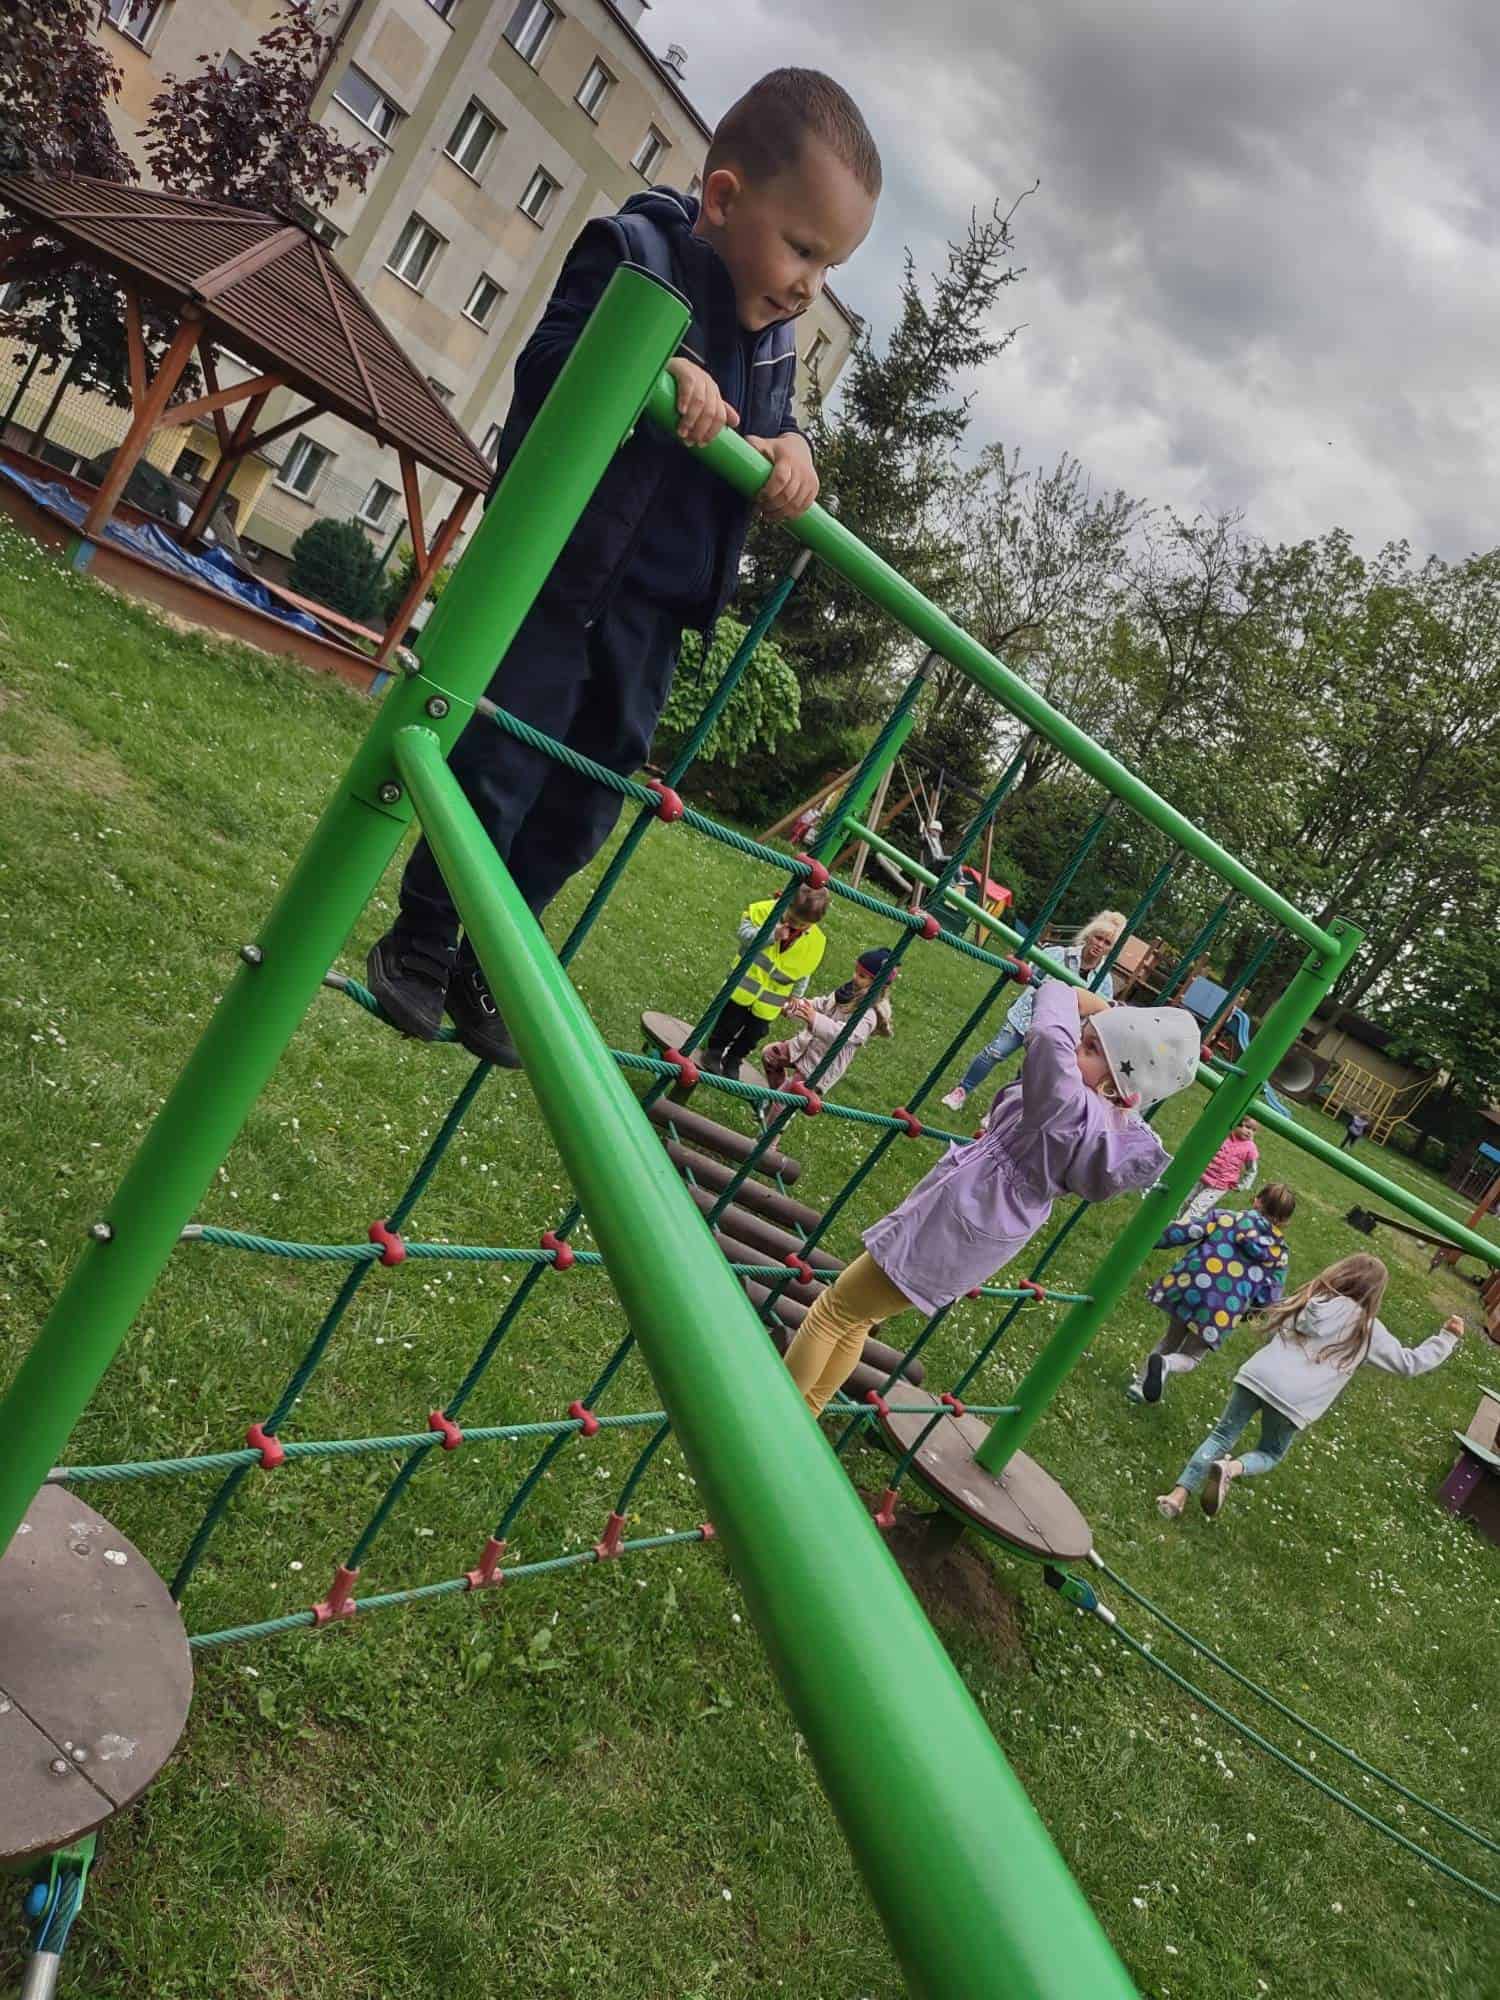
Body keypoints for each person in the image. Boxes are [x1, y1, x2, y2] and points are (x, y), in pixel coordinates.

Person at [364, 71, 881, 1065]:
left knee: (586, 798)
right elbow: (550, 363)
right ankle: (422, 938)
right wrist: (655, 365)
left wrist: (794, 448)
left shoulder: (773, 345)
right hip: (563, 580)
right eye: (802, 247)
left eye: (831, 264)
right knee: (498, 767)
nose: (810, 284)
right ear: (723, 199)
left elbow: (773, 426)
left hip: (655, 613)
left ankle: (494, 956)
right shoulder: (635, 252)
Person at [782, 983, 1200, 1416]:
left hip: (958, 1216)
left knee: (834, 1310)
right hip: (983, 1225)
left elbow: (1049, 1032)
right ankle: (808, 1409)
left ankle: (780, 1411)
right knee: (858, 1319)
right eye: (1083, 1038)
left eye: (1091, 1047)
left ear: (1114, 1084)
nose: (1077, 1046)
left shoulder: (1069, 1105)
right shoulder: (1105, 1123)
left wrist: (1080, 997)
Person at [1156, 1254, 1465, 1520]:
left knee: (1222, 1435)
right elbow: (1409, 1364)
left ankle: (1176, 1496)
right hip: (1295, 1400)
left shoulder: (1311, 1299)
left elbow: (1276, 1326)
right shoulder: (1367, 1329)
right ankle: (1232, 1469)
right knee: (1270, 1452)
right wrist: (1447, 1338)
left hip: (1258, 1376)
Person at [940, 910, 1126, 1114]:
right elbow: (1030, 975)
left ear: (1111, 949)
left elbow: (1099, 1012)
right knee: (995, 1051)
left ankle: (1000, 1114)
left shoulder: (1103, 981)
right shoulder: (1058, 954)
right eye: (1098, 938)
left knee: (1028, 1076)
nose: (1100, 945)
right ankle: (962, 1090)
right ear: (1089, 935)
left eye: (1107, 943)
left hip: (1056, 1032)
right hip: (1026, 1016)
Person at [1127, 1183, 1295, 1405]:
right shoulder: (1279, 1255)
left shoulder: (1226, 1218)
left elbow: (1187, 1231)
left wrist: (1151, 1237)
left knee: (1170, 1339)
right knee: (1191, 1356)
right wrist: (1250, 1314)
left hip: (1192, 1287)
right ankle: (1166, 1364)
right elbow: (1269, 1296)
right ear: (1284, 1221)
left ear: (1257, 1200)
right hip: (1223, 1308)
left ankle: (1139, 1386)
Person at [704, 883, 830, 1076]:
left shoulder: (815, 941)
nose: (796, 926)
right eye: (792, 919)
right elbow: (743, 934)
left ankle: (734, 1059)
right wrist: (772, 935)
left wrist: (796, 995)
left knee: (755, 1033)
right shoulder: (764, 911)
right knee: (728, 1023)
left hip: (771, 1001)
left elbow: (804, 969)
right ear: (785, 903)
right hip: (743, 986)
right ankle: (714, 1051)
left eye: (803, 924)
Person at [760, 946, 897, 1099]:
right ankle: (775, 1100)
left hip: (821, 1064)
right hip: (805, 1045)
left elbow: (845, 1035)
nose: (854, 977)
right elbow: (821, 1004)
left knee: (789, 1093)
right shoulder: (846, 992)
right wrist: (792, 1007)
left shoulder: (870, 1014)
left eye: (862, 976)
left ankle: (777, 1106)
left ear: (876, 983)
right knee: (770, 1055)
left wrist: (815, 1019)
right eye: (856, 971)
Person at [1172, 1116, 1260, 1224]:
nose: (1250, 1132)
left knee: (1197, 1207)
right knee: (1185, 1200)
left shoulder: (1250, 1148)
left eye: (1254, 1130)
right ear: (1237, 1123)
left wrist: (1243, 1185)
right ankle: (1173, 1222)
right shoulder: (1224, 1134)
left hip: (1219, 1185)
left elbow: (1252, 1170)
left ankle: (1181, 1226)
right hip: (1202, 1175)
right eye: (1247, 1127)